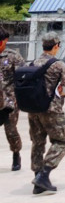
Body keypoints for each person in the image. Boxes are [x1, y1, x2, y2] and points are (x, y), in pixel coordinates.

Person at [29, 32, 65, 194]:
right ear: (56, 46)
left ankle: (37, 177)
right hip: (51, 108)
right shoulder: (59, 65)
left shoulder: (33, 63)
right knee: (62, 140)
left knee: (38, 142)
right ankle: (44, 174)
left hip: (33, 109)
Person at [0, 27, 25, 171]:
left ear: (5, 41)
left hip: (9, 100)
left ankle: (16, 153)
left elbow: (23, 78)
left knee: (10, 130)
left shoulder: (13, 56)